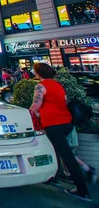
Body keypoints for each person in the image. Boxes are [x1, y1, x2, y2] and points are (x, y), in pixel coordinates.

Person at [29, 63, 91, 202]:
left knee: (66, 156)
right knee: (57, 150)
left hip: (53, 124)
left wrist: (28, 113)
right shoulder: (57, 85)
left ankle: (82, 190)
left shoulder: (41, 86)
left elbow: (35, 106)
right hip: (66, 122)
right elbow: (63, 101)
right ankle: (55, 176)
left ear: (38, 73)